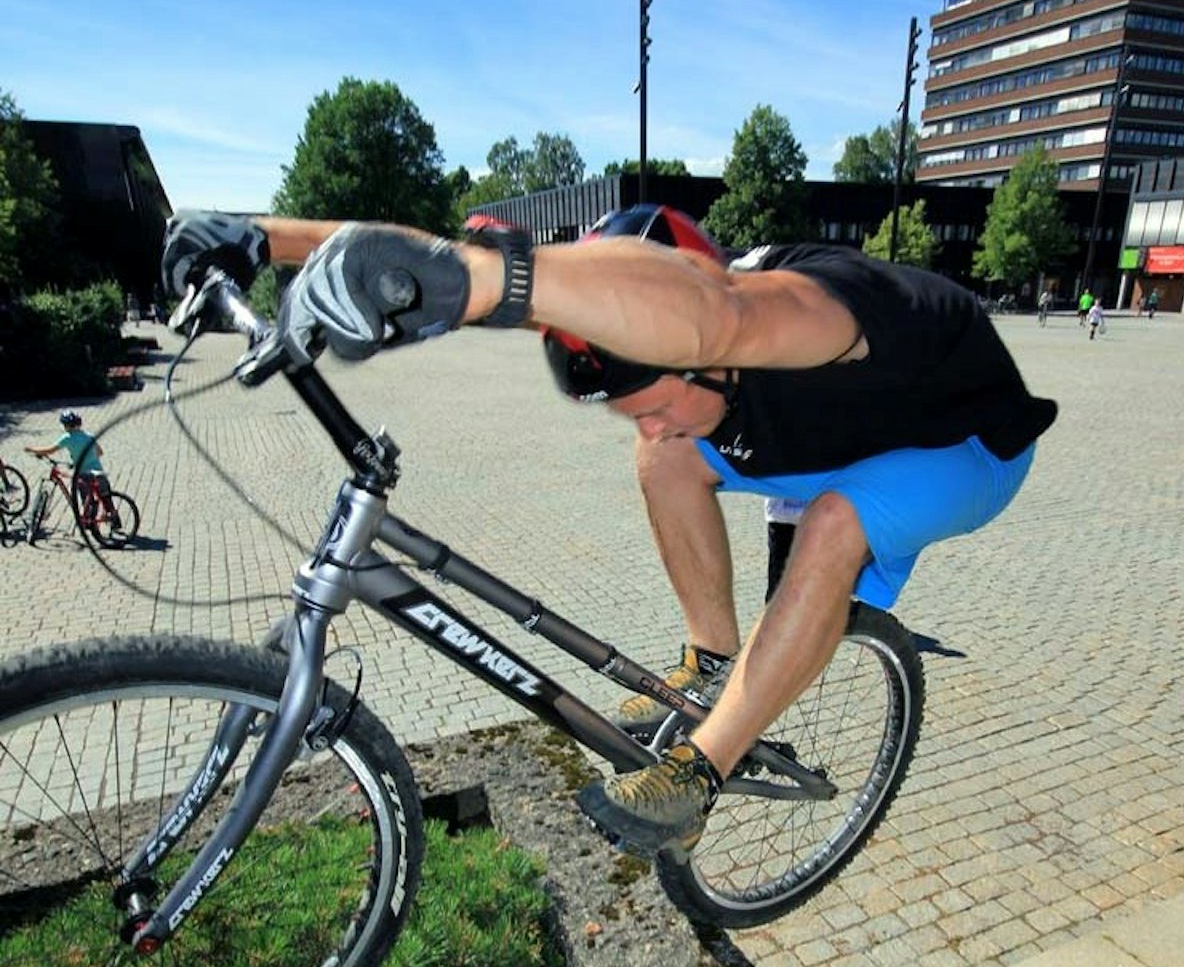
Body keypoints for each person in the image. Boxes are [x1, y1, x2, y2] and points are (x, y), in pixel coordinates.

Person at [160, 205, 1058, 859]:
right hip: (827, 435)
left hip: (959, 446)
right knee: (665, 459)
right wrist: (258, 237)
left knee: (836, 521)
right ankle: (712, 664)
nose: (655, 418)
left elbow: (723, 311)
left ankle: (699, 773)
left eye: (663, 398)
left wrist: (491, 283)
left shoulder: (798, 309)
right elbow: (429, 253)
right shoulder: (660, 343)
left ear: (706, 358)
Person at [25, 409, 121, 528]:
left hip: (83, 473)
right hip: (98, 471)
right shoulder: (89, 436)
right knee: (105, 496)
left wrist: (32, 450)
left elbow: (50, 450)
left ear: (66, 426)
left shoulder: (67, 438)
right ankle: (114, 518)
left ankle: (89, 521)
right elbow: (100, 452)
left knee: (86, 497)